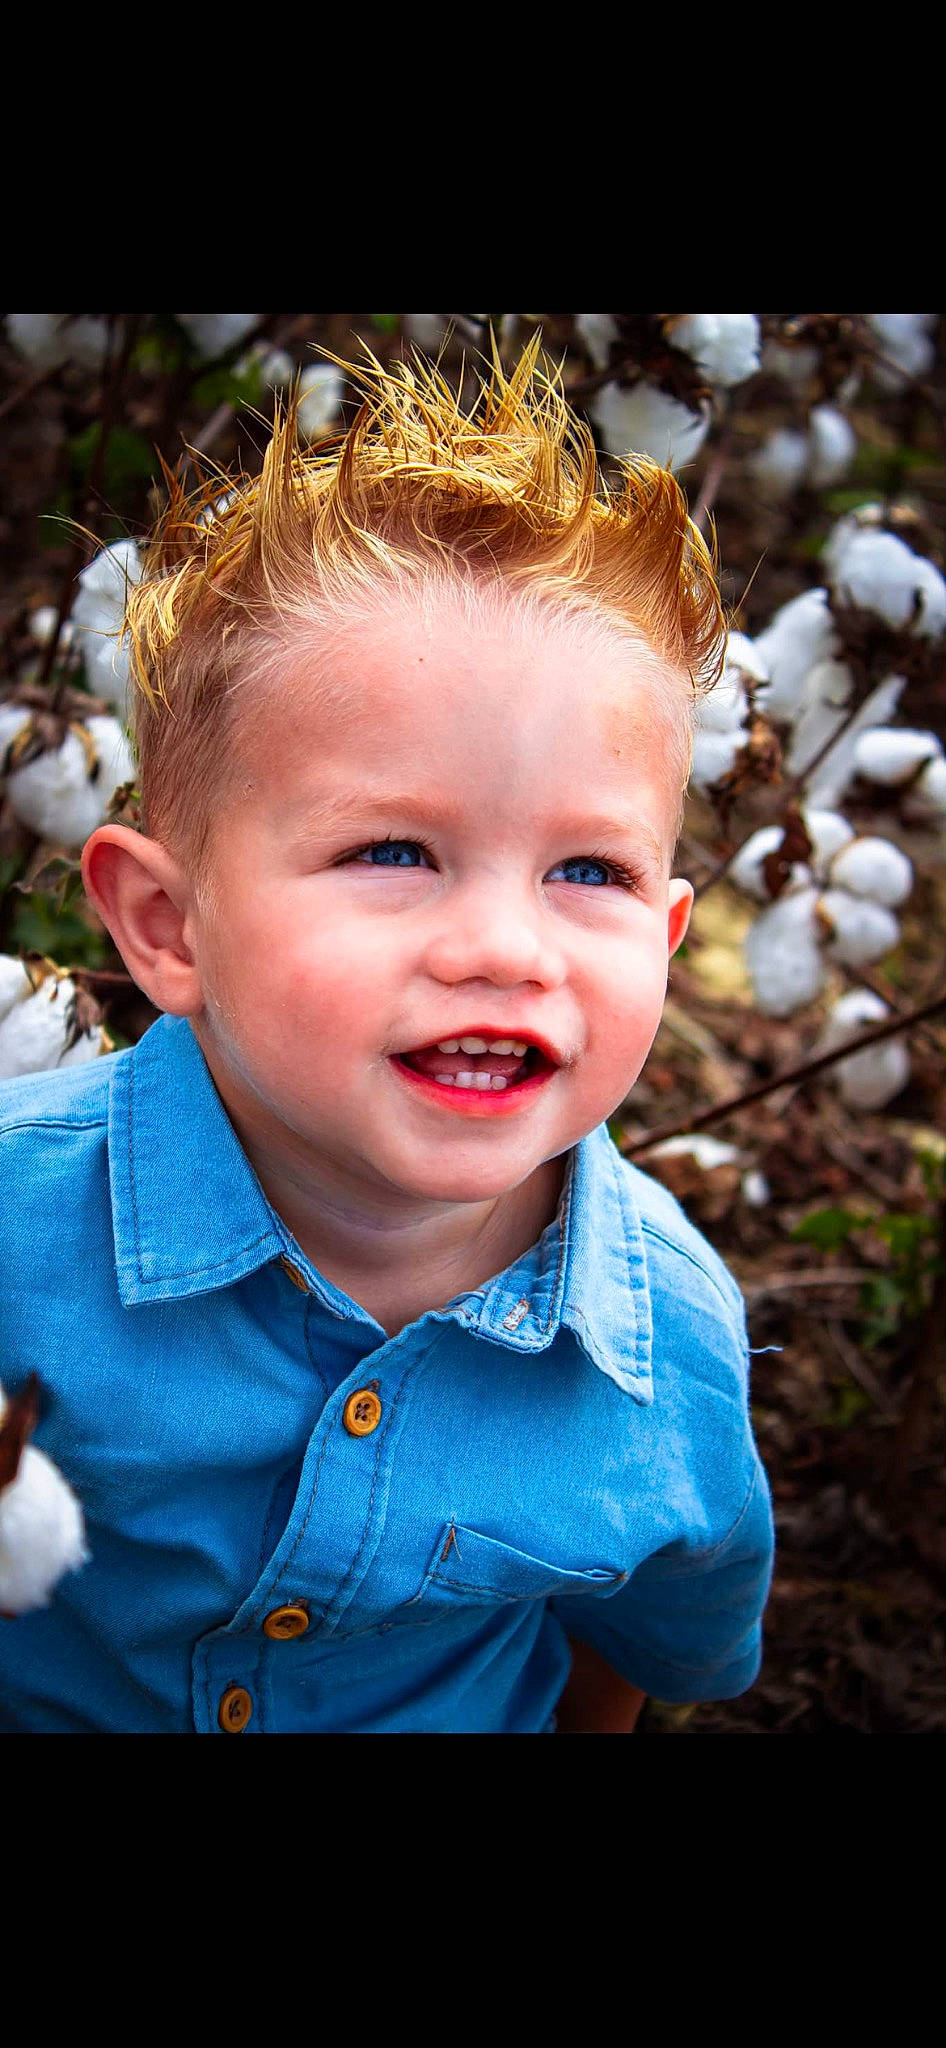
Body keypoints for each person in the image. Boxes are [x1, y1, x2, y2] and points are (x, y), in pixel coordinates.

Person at [0, 340, 773, 1734]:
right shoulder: (13, 1231)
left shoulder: (665, 1344)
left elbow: (639, 1648)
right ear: (170, 928)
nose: (502, 946)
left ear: (663, 945)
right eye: (396, 850)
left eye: (585, 872)